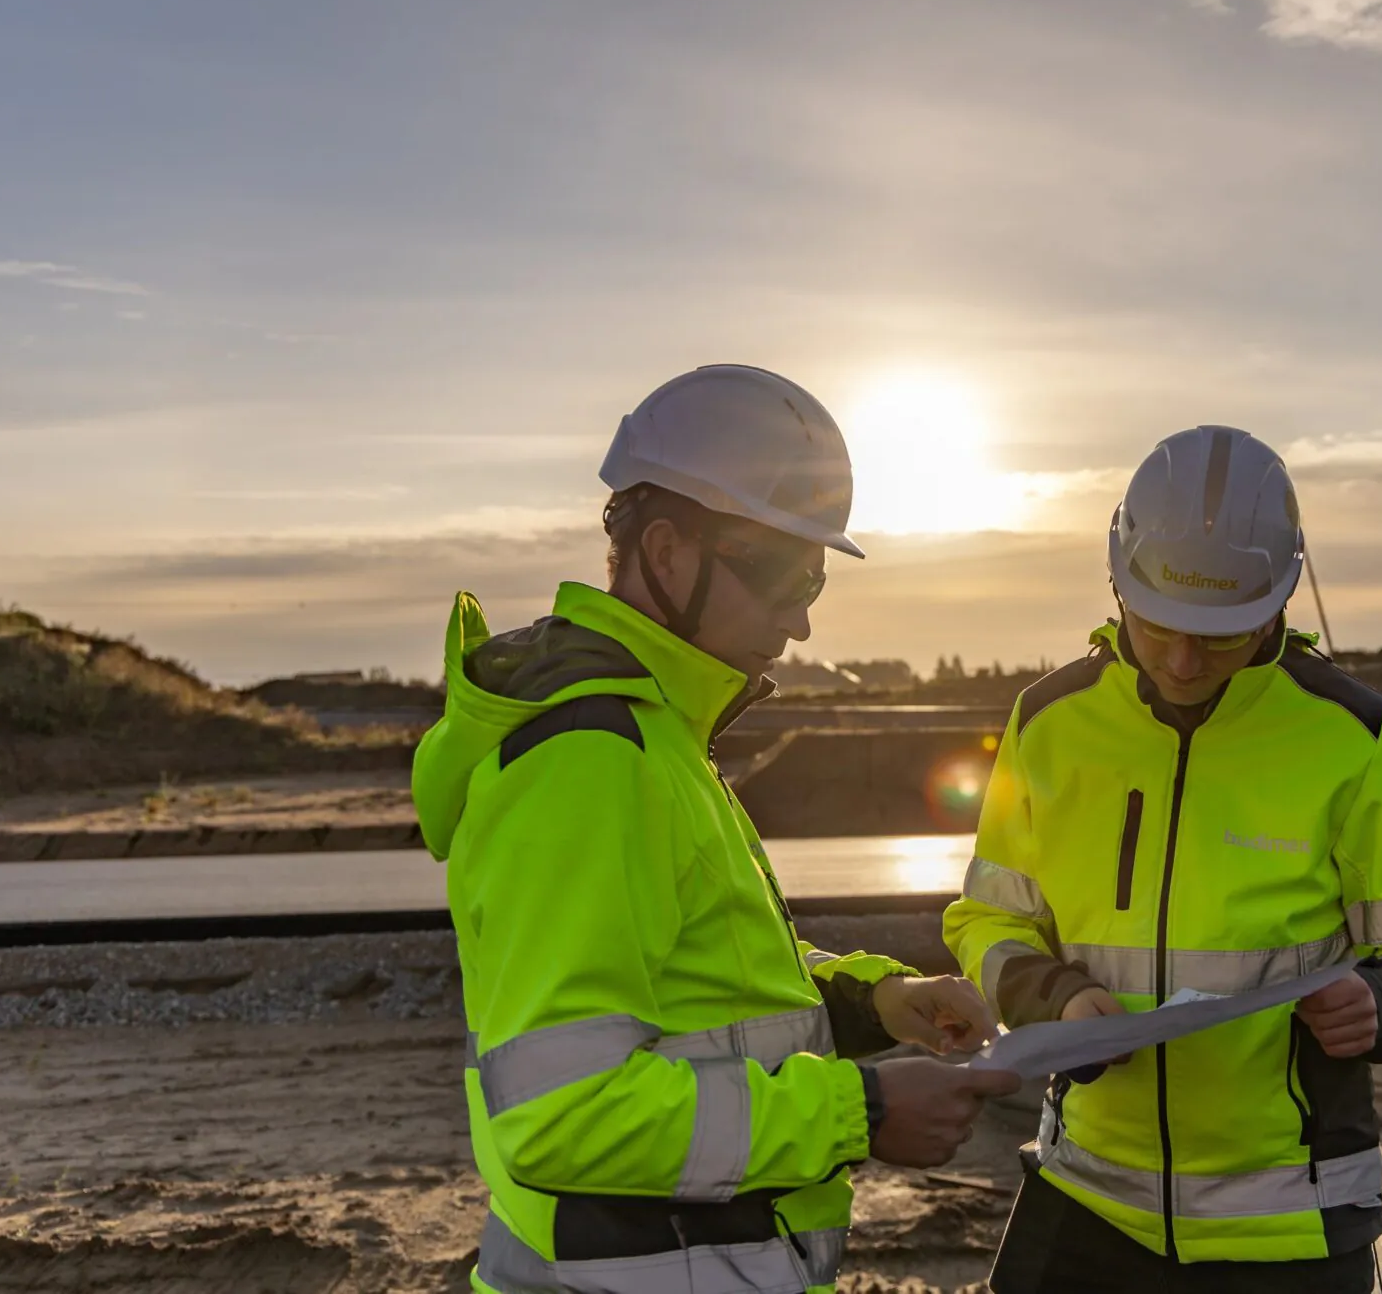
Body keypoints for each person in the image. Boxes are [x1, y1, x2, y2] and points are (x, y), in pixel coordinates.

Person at [413, 364, 1021, 1294]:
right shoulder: (589, 758)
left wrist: (872, 1003)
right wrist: (862, 1109)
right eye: (782, 571)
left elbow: (701, 983)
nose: (804, 616)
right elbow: (563, 1111)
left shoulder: (653, 734)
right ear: (664, 550)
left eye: (815, 573)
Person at [943, 425, 1382, 1293]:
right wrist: (1052, 996)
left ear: (1280, 600)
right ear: (1116, 581)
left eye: (1222, 635)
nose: (1185, 659)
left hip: (1291, 1215)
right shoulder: (1048, 722)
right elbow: (987, 918)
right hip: (1087, 1190)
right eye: (1160, 626)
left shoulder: (1351, 735)